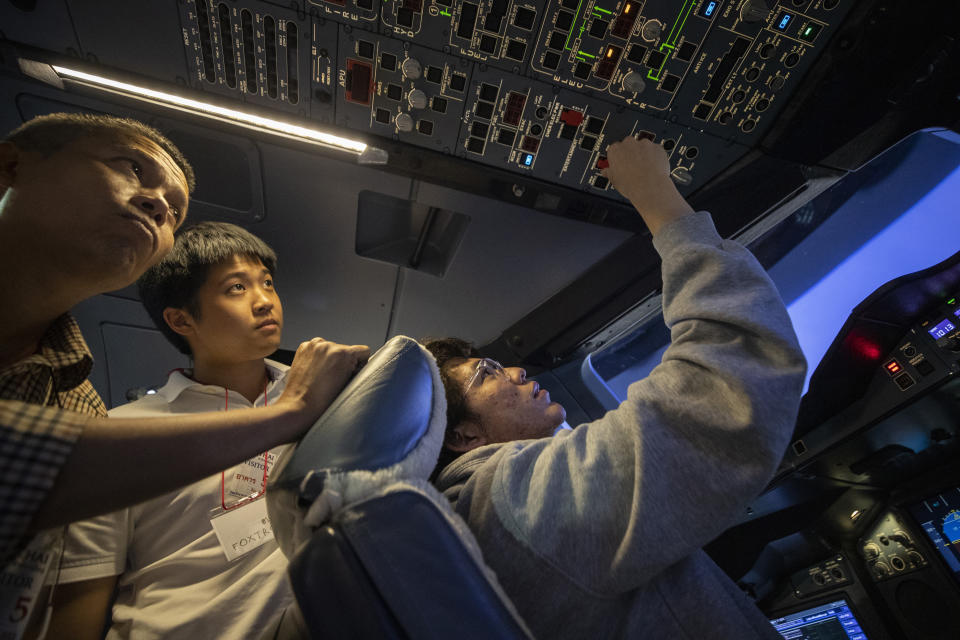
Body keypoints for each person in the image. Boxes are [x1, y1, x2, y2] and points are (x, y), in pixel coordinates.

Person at [423, 135, 807, 639]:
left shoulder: (484, 518)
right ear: (463, 437)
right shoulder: (510, 502)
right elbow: (727, 380)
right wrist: (656, 197)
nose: (516, 372)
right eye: (487, 373)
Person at [0, 113, 367, 635]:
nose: (157, 205)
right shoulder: (122, 428)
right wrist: (292, 413)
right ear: (11, 166)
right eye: (130, 166)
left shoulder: (77, 401)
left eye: (174, 210)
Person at [47, 222, 299, 639]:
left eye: (267, 283)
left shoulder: (323, 398)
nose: (264, 301)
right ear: (181, 319)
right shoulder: (124, 433)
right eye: (237, 288)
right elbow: (83, 591)